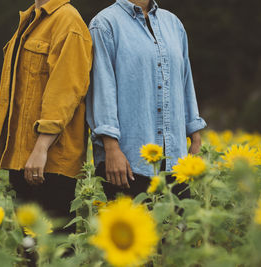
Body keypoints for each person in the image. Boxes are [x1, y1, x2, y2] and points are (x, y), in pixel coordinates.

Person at [0, 0, 92, 235]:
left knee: (56, 250)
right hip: (22, 159)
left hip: (50, 161)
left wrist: (41, 147)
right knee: (29, 249)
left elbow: (65, 92)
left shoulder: (68, 20)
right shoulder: (30, 19)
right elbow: (13, 98)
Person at [86, 0, 207, 200]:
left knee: (179, 228)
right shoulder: (105, 24)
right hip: (127, 163)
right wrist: (111, 148)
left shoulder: (173, 24)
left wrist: (195, 137)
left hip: (175, 162)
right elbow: (101, 89)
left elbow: (185, 82)